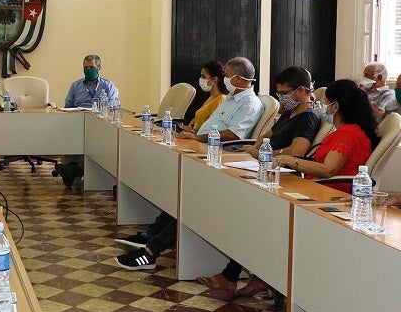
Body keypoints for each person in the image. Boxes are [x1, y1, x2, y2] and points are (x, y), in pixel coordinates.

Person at [115, 66, 318, 271]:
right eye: (279, 94)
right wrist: (256, 148)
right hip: (254, 165)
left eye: (284, 94)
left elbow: (297, 151)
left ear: (301, 90)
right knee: (190, 193)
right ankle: (152, 239)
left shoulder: (307, 117)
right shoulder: (289, 114)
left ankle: (151, 251)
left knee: (201, 200)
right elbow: (266, 137)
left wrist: (265, 153)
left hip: (275, 176)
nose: (282, 99)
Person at [197, 79, 378, 296]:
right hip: (315, 188)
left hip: (330, 195)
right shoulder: (342, 131)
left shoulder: (348, 134)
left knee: (264, 216)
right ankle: (250, 277)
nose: (323, 108)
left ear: (336, 106)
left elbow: (328, 170)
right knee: (259, 214)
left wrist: (290, 160)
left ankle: (245, 277)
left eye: (326, 103)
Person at [56, 54, 119, 187]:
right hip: (77, 122)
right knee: (69, 136)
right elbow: (68, 106)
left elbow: (112, 108)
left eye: (92, 67)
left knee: (92, 141)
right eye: (86, 67)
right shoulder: (76, 85)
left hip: (100, 124)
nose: (88, 70)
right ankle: (69, 167)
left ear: (99, 68)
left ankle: (76, 170)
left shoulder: (108, 86)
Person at [176, 56, 263, 143]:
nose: (224, 79)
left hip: (215, 147)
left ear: (237, 79)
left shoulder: (250, 104)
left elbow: (233, 135)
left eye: (227, 76)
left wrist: (197, 138)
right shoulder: (231, 97)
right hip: (201, 141)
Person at [179, 60, 228, 133]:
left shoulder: (221, 99)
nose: (201, 79)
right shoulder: (211, 98)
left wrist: (194, 133)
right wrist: (187, 127)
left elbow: (213, 127)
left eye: (203, 77)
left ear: (214, 79)